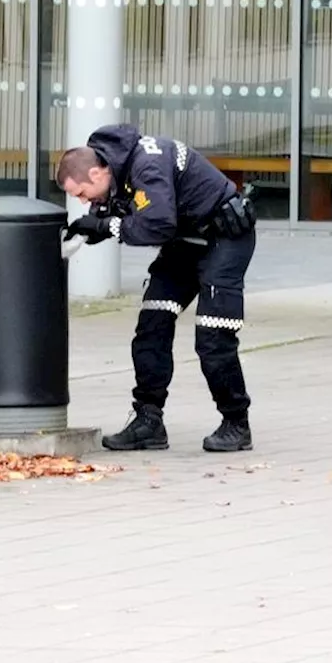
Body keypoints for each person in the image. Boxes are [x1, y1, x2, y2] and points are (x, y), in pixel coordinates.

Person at [56, 124, 258, 452]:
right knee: (152, 325)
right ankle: (148, 421)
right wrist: (98, 225)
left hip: (224, 239)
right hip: (185, 242)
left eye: (81, 193)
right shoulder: (117, 167)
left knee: (213, 335)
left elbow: (157, 223)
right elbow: (131, 210)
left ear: (96, 172)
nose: (83, 201)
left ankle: (237, 423)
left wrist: (108, 226)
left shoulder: (147, 164)